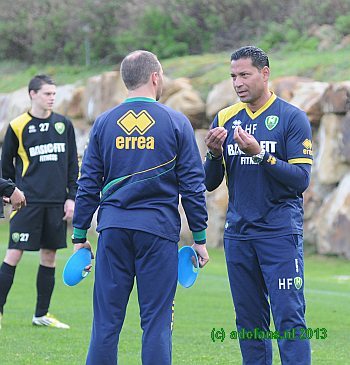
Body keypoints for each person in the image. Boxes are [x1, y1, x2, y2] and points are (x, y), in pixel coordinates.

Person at [72, 50, 209, 365]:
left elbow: (88, 182)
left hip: (113, 231)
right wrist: (199, 239)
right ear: (156, 77)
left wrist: (79, 234)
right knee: (157, 324)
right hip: (157, 234)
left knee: (106, 323)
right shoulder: (176, 121)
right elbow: (192, 185)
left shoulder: (104, 123)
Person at [204, 46, 312, 365]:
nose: (238, 83)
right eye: (233, 76)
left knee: (289, 319)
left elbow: (300, 179)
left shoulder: (292, 118)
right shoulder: (225, 118)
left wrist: (260, 154)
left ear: (265, 74)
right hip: (239, 236)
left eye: (244, 75)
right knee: (250, 324)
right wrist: (212, 154)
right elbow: (209, 182)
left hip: (279, 235)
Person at [0, 74, 79, 329]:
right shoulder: (17, 126)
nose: (52, 98)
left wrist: (71, 198)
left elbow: (71, 166)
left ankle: (41, 315)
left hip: (56, 203)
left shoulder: (63, 125)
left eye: (54, 94)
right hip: (27, 204)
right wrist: (10, 193)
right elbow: (5, 169)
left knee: (49, 256)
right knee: (13, 254)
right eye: (47, 93)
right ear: (32, 94)